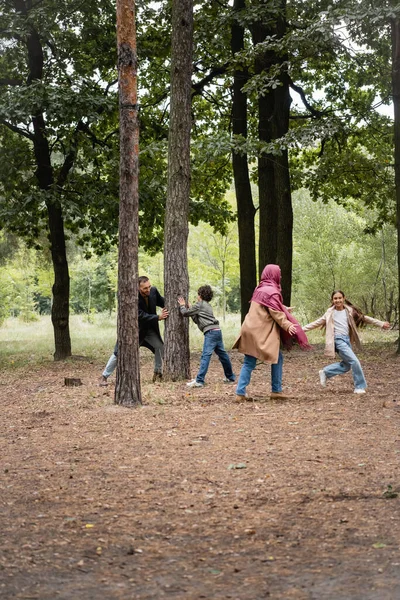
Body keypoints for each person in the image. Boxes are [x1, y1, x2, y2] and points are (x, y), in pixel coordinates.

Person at [233, 264, 311, 402]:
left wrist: (284, 308)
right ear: (273, 274)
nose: (280, 276)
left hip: (249, 329)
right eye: (278, 273)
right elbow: (275, 313)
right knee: (275, 358)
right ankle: (276, 391)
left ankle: (240, 392)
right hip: (259, 332)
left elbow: (266, 306)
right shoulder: (272, 291)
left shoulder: (260, 288)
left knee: (250, 362)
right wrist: (287, 325)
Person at [303, 290, 390, 394]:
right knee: (355, 361)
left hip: (347, 340)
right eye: (335, 298)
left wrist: (380, 323)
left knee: (347, 365)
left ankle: (326, 372)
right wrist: (300, 330)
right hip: (338, 340)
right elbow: (316, 323)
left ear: (344, 298)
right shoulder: (330, 313)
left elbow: (364, 318)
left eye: (340, 298)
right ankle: (359, 386)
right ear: (332, 300)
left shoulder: (350, 311)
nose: (338, 300)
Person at [99, 276, 169, 386]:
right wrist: (157, 317)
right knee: (119, 352)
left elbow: (163, 302)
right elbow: (139, 315)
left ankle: (158, 373)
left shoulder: (153, 291)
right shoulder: (132, 297)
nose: (148, 290)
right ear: (137, 288)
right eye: (145, 288)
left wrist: (181, 304)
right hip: (133, 331)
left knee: (160, 347)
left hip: (149, 330)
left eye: (149, 287)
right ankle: (104, 376)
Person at [178, 285, 236, 388]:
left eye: (198, 294)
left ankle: (199, 380)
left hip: (210, 333)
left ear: (200, 295)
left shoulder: (199, 304)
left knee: (206, 356)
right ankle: (230, 377)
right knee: (223, 355)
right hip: (217, 331)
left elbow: (184, 313)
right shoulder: (207, 305)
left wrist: (182, 305)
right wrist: (191, 309)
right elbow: (197, 320)